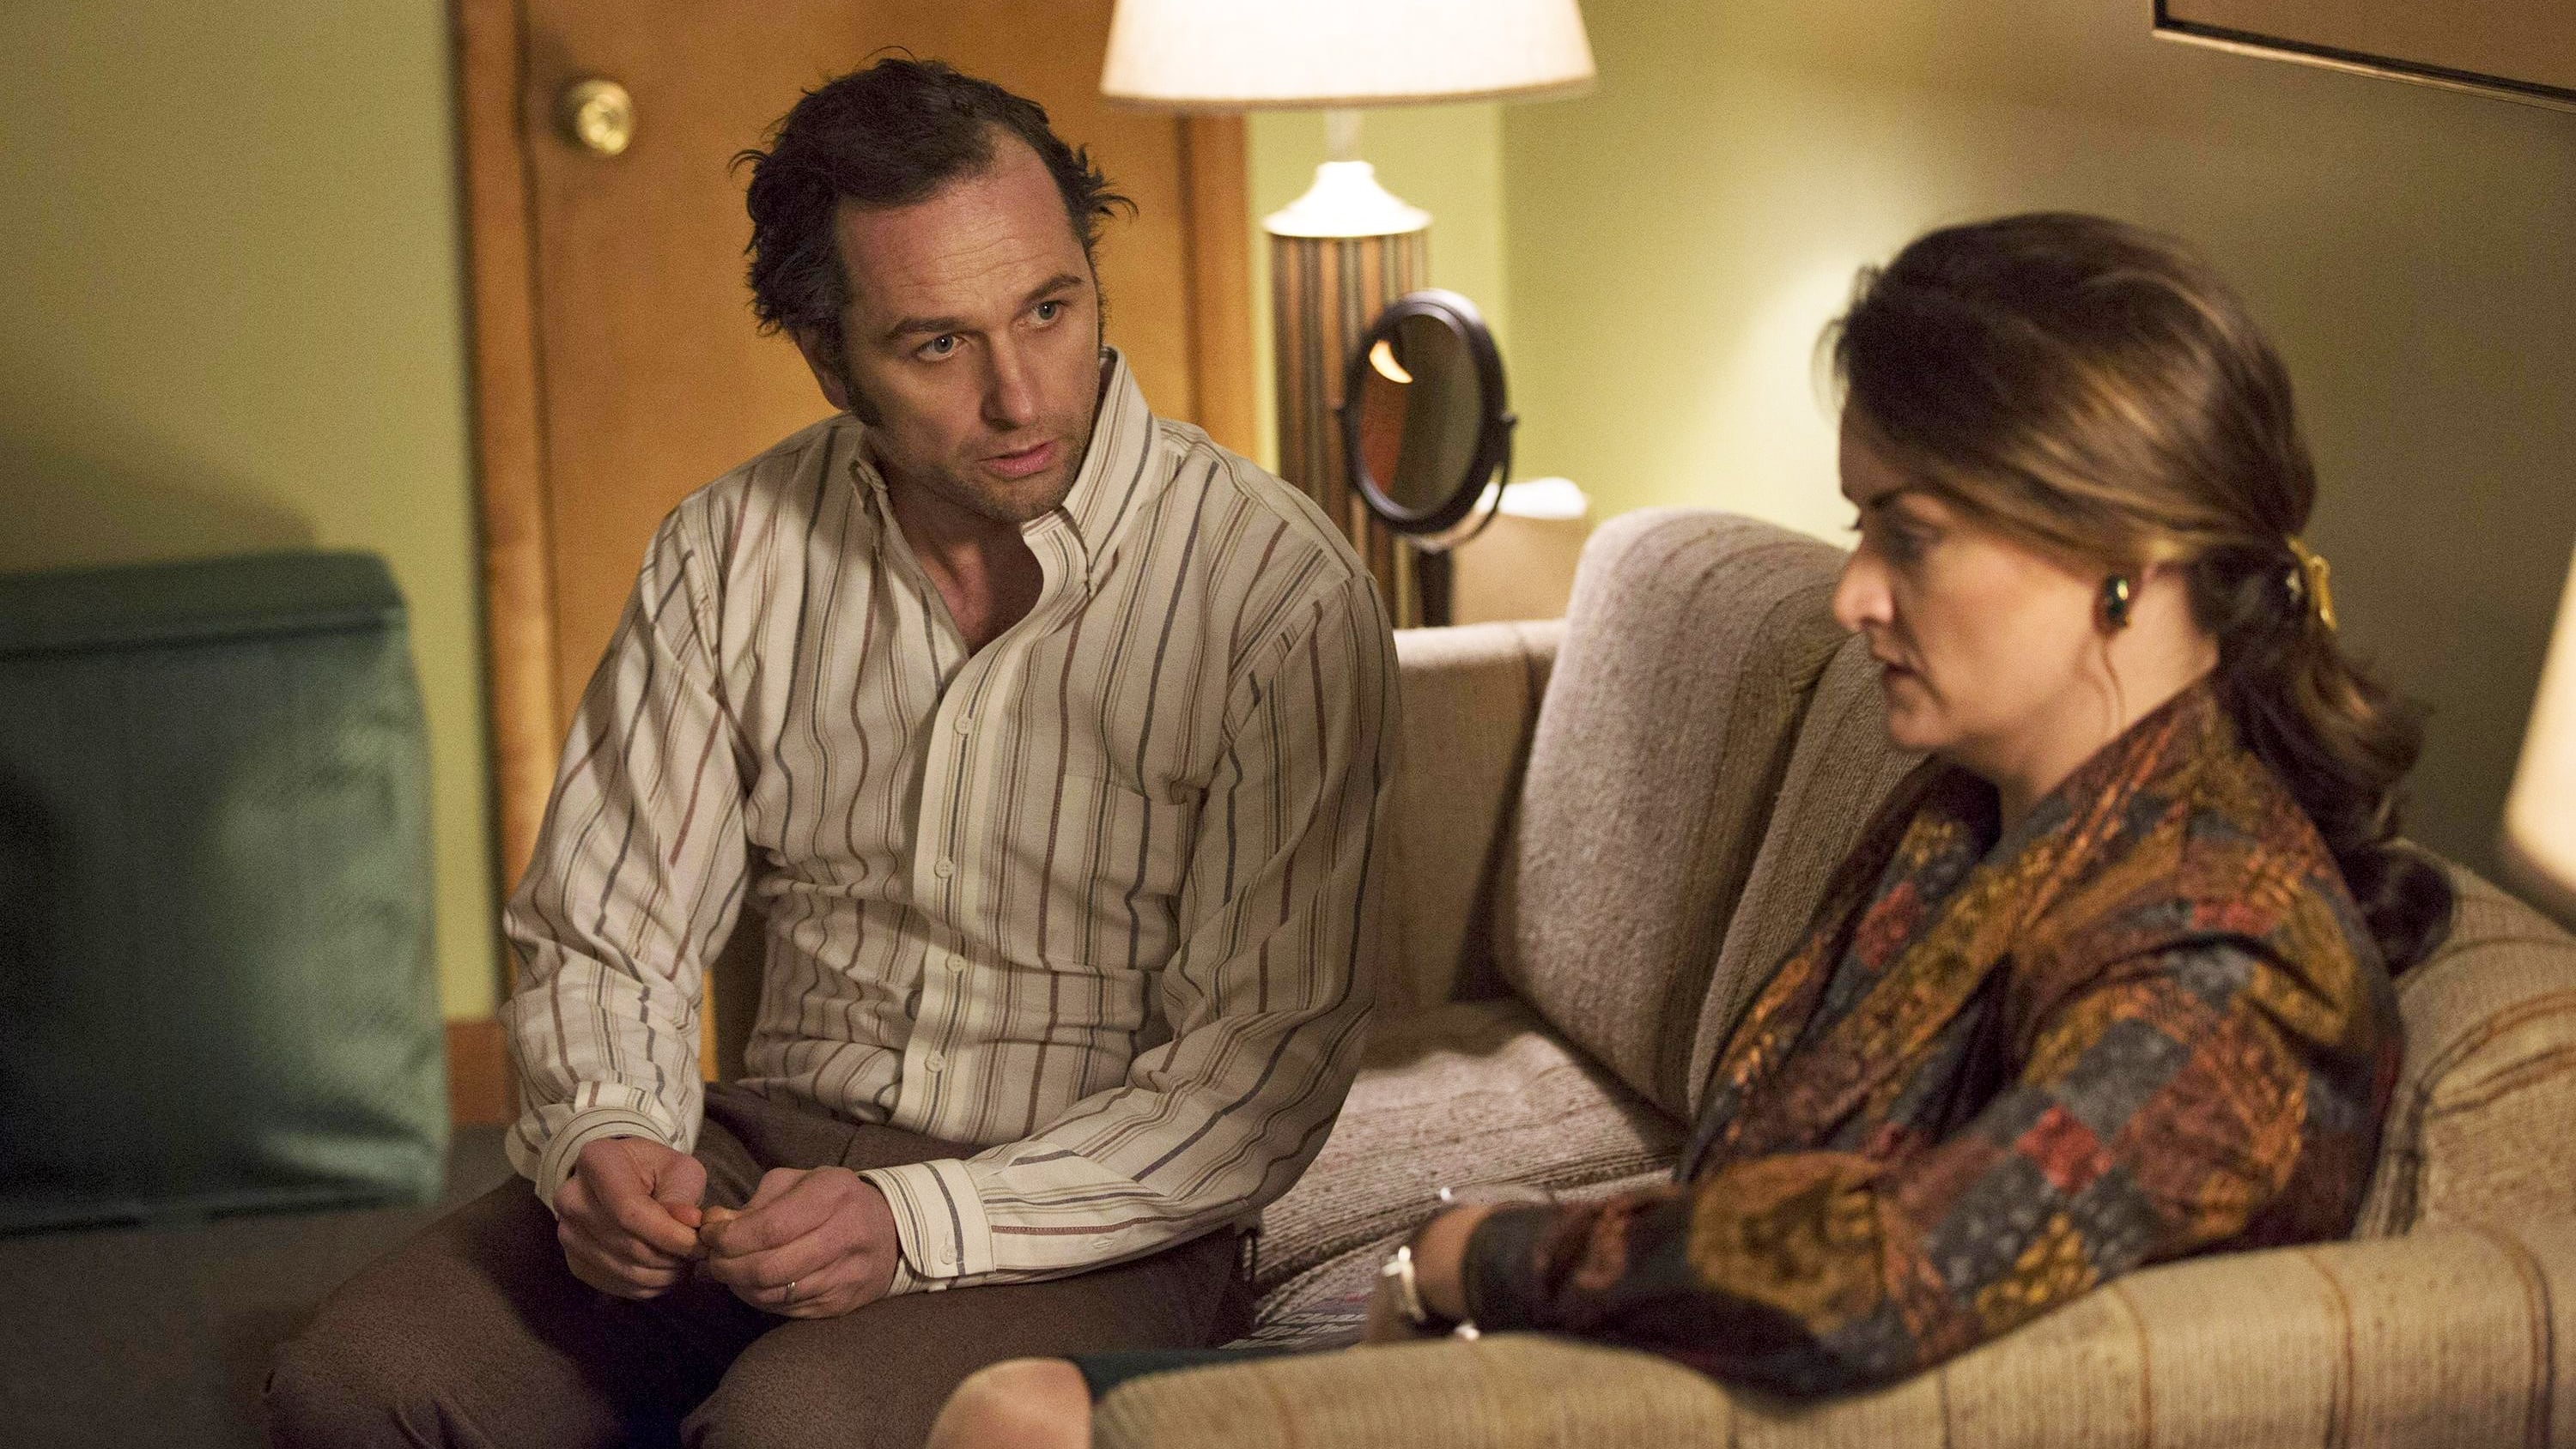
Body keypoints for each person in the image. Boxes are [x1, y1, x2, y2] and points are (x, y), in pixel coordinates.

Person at [924, 211, 2455, 1448]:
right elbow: (1773, 1186)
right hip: (1646, 1376)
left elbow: (1900, 1272)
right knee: (1017, 1394)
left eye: (1913, 537)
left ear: (2124, 557)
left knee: (1022, 1419)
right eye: (1861, 527)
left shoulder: (2226, 959)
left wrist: (1486, 1254)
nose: (1856, 594)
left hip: (1709, 1413)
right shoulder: (1976, 815)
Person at [266, 57, 1399, 1449]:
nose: (1020, 396)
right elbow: (606, 931)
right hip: (765, 1149)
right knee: (359, 1383)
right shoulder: (729, 548)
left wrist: (917, 1221)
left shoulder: (1278, 595)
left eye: (1049, 310)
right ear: (827, 356)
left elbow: (1253, 1087)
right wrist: (605, 1136)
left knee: (796, 1430)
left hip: (1089, 1212)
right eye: (937, 346)